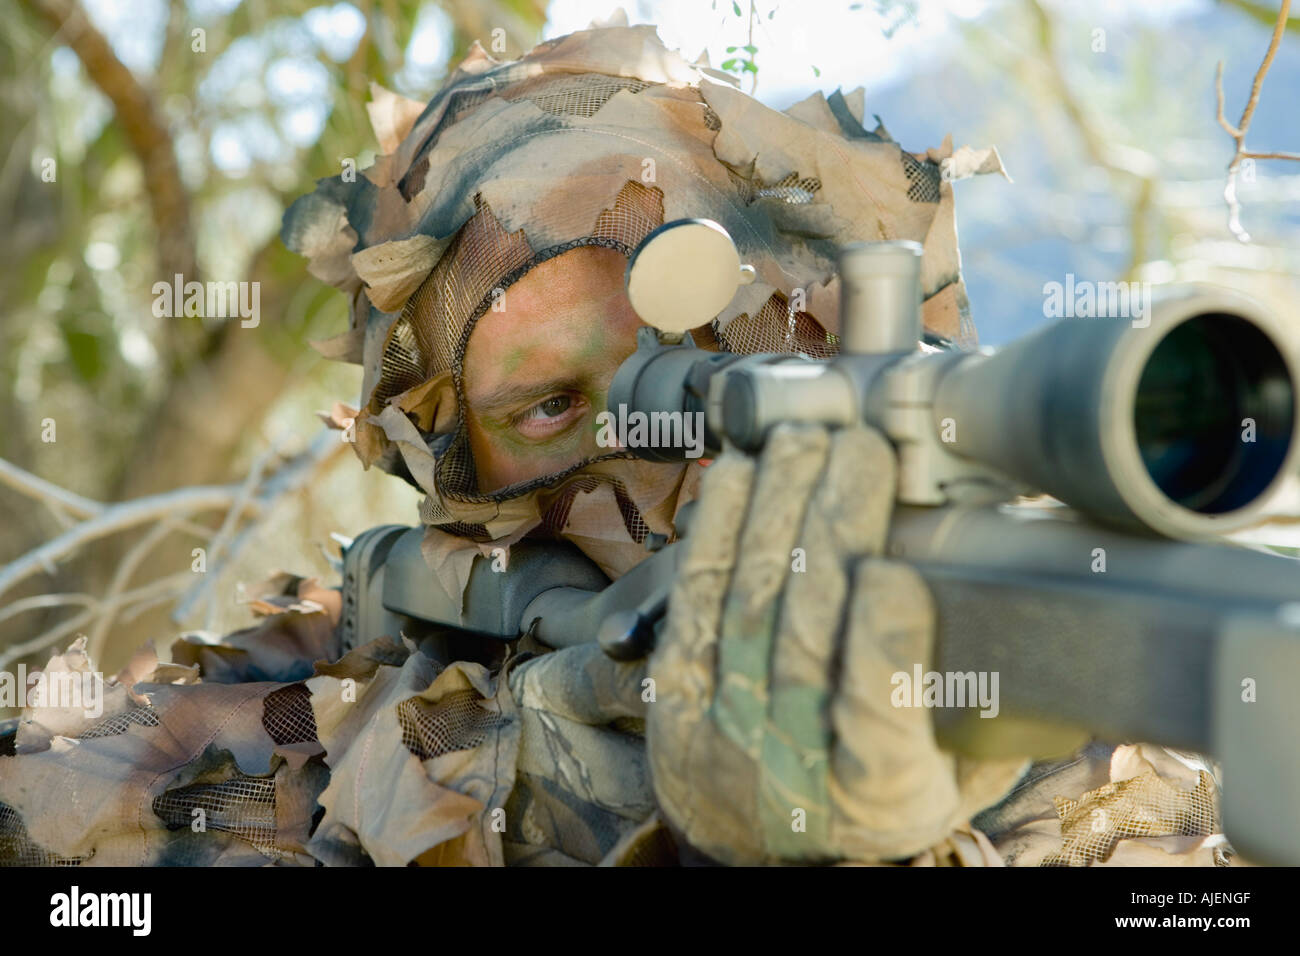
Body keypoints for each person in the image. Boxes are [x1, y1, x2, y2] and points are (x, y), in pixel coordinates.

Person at [0, 18, 1230, 867]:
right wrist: (556, 784)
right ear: (456, 481)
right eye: (551, 406)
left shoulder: (1070, 708)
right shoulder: (330, 685)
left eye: (732, 341)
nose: (670, 449)